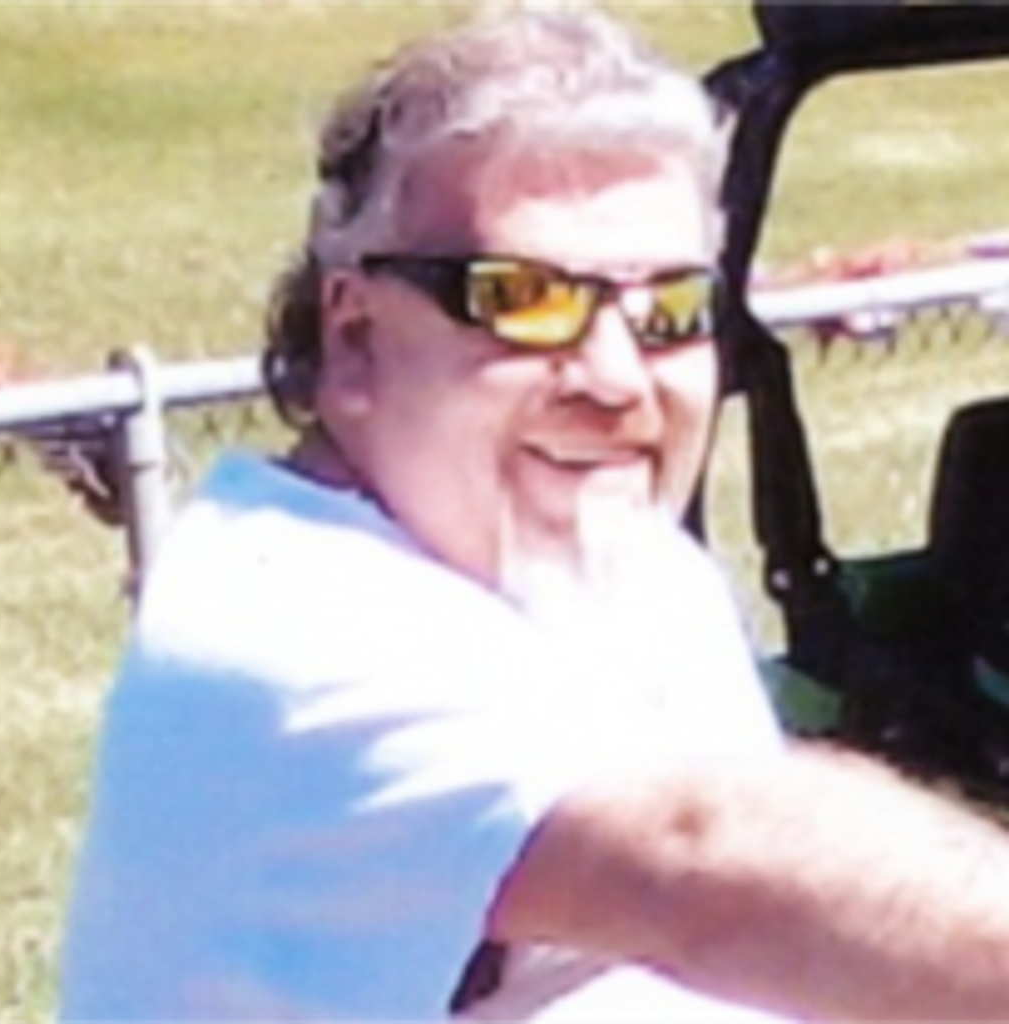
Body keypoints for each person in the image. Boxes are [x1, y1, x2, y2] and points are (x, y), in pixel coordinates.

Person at [59, 6, 1009, 1023]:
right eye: (522, 300)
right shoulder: (287, 623)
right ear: (353, 335)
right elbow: (708, 863)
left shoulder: (637, 573)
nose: (616, 380)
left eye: (670, 311)